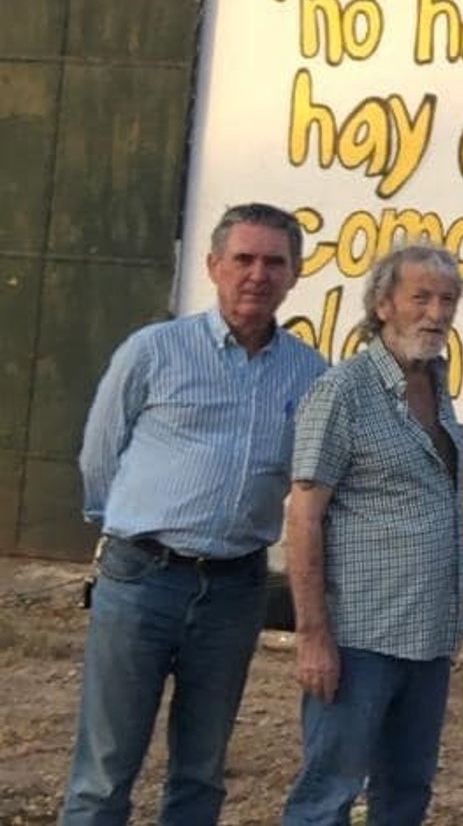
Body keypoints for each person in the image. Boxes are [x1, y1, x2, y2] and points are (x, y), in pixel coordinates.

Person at [61, 203, 325, 826]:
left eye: (273, 262)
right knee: (104, 772)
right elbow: (100, 453)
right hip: (141, 580)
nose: (257, 275)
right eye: (243, 259)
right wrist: (124, 533)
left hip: (235, 589)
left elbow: (312, 480)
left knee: (201, 774)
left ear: (294, 274)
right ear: (213, 266)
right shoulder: (154, 350)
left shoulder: (312, 374)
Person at [281, 243, 463, 826]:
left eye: (447, 300)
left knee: (406, 796)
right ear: (384, 304)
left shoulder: (437, 386)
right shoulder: (344, 391)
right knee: (327, 797)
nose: (436, 313)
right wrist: (313, 636)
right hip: (360, 638)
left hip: (429, 639)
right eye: (421, 298)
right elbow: (304, 515)